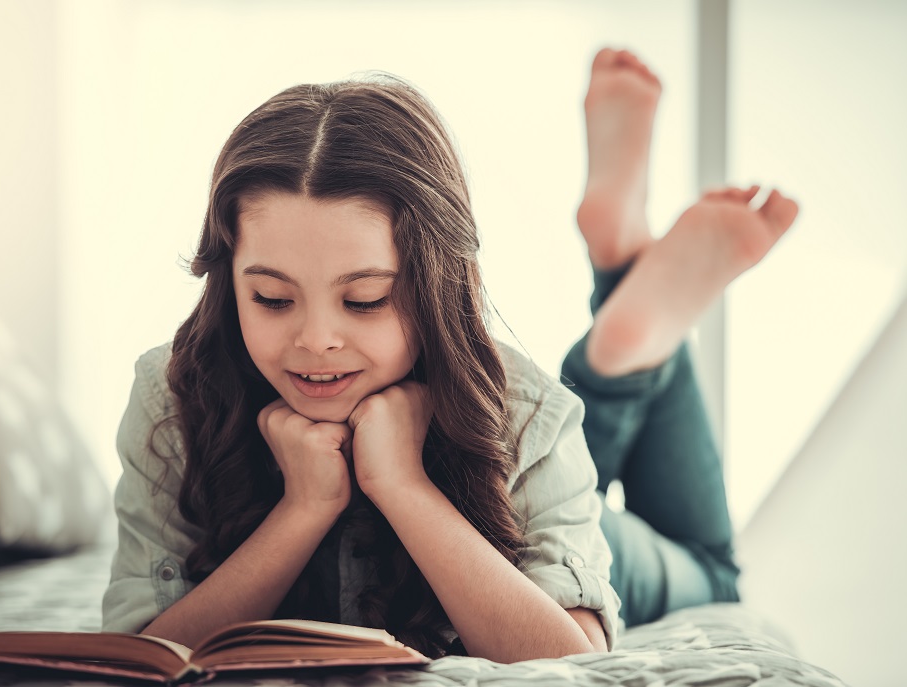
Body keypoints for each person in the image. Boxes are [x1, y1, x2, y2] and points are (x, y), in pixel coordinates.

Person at [101, 48, 798, 662]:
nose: (315, 339)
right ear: (229, 282)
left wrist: (403, 484)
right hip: (523, 483)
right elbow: (141, 654)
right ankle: (623, 322)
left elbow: (574, 656)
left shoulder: (526, 408)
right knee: (576, 484)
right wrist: (304, 508)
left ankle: (625, 329)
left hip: (535, 498)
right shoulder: (175, 397)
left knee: (711, 576)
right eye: (273, 300)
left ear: (435, 286)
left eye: (366, 299)